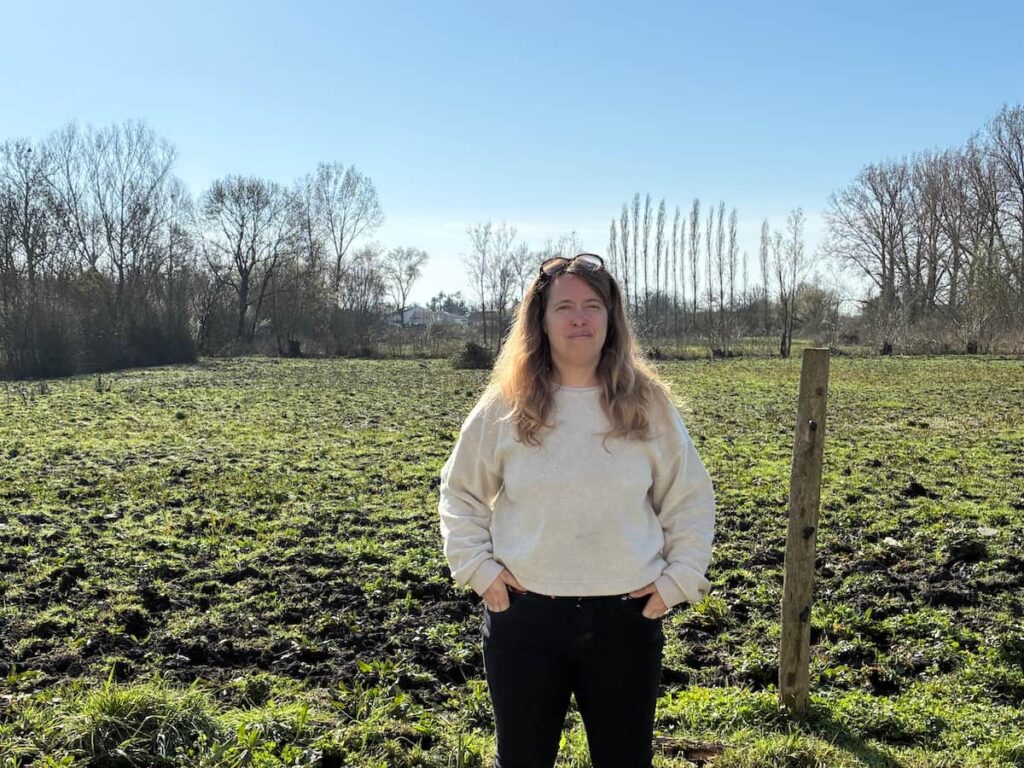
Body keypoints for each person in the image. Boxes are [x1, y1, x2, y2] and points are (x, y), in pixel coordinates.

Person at [438, 253, 715, 768]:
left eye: (593, 305)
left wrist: (679, 579)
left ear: (612, 319)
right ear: (541, 320)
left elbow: (689, 496)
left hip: (625, 620)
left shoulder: (647, 404)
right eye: (565, 306)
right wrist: (479, 571)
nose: (580, 318)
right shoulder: (506, 403)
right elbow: (461, 493)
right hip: (525, 617)